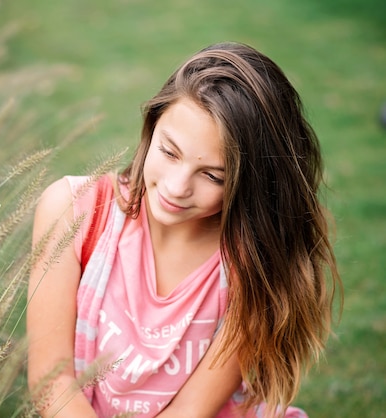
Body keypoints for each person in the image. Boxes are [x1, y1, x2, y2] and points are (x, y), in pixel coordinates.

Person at [27, 42, 341, 418]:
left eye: (212, 175)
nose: (177, 187)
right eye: (169, 152)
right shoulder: (73, 211)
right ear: (152, 125)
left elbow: (192, 410)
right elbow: (51, 379)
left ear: (249, 185)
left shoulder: (250, 260)